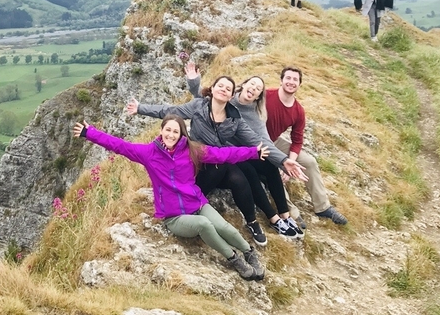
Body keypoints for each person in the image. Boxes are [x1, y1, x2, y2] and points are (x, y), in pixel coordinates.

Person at [72, 114, 268, 280]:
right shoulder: (148, 153)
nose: (171, 135)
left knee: (223, 226)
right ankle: (234, 258)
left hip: (197, 203)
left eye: (176, 131)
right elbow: (119, 146)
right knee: (204, 225)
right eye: (168, 130)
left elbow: (223, 154)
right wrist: (89, 133)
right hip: (174, 216)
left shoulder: (192, 150)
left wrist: (253, 152)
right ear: (161, 130)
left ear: (182, 134)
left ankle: (249, 252)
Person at [127, 75, 307, 247]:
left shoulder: (235, 119)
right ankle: (197, 203)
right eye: (220, 86)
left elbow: (257, 141)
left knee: (238, 177)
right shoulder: (198, 106)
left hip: (219, 161)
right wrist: (140, 108)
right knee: (226, 168)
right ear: (212, 89)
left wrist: (283, 160)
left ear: (231, 95)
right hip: (196, 165)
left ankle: (252, 222)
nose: (224, 90)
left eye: (228, 88)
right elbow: (169, 111)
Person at [185, 64, 305, 239]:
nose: (254, 89)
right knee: (249, 172)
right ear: (243, 85)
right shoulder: (227, 98)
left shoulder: (255, 115)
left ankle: (285, 215)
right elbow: (201, 98)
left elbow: (264, 142)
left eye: (258, 89)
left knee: (269, 166)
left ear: (258, 96)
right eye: (252, 84)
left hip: (247, 151)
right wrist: (193, 80)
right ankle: (273, 218)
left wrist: (282, 161)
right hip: (229, 154)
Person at [266, 67, 348, 225]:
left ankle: (322, 206)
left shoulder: (298, 111)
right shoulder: (266, 96)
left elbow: (297, 140)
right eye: (288, 78)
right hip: (257, 143)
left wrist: (291, 163)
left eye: (295, 79)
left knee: (309, 161)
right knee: (273, 172)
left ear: (299, 84)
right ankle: (291, 212)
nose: (291, 82)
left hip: (275, 141)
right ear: (281, 80)